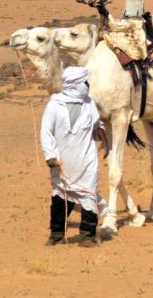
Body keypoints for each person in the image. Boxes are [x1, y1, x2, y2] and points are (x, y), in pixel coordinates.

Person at [40, 66, 106, 247]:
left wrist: (102, 133)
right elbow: (46, 132)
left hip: (86, 159)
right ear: (76, 84)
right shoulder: (55, 104)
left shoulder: (88, 103)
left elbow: (97, 123)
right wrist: (50, 156)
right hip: (63, 161)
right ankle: (56, 235)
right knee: (60, 196)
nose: (88, 85)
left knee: (88, 195)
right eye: (85, 82)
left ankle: (88, 235)